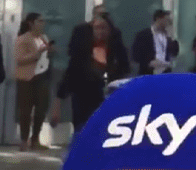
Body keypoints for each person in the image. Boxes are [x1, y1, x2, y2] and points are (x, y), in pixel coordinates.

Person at [51, 12, 130, 134]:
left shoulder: (116, 50)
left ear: (110, 30)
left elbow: (124, 71)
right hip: (83, 97)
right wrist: (57, 104)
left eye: (103, 28)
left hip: (106, 97)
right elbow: (70, 74)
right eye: (97, 28)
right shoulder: (82, 50)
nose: (100, 31)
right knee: (82, 129)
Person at [14, 13, 54, 151]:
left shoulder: (43, 37)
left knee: (41, 109)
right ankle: (24, 140)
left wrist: (49, 51)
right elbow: (19, 58)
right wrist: (37, 54)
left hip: (42, 76)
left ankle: (35, 139)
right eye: (40, 21)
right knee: (25, 110)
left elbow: (45, 55)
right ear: (31, 23)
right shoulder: (23, 39)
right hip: (27, 78)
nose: (43, 23)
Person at [131, 10, 179, 75]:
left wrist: (171, 36)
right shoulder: (143, 35)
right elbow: (136, 55)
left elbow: (175, 53)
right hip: (148, 73)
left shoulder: (168, 37)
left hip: (165, 73)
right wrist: (149, 63)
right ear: (158, 19)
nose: (169, 23)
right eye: (167, 20)